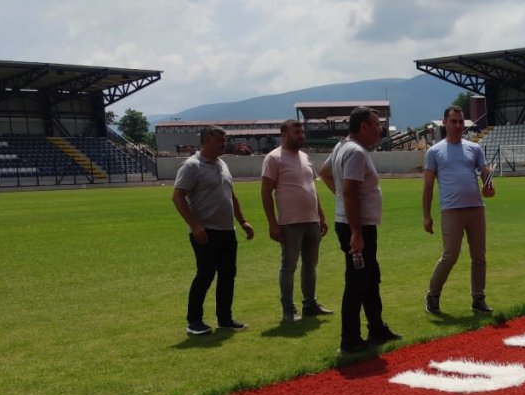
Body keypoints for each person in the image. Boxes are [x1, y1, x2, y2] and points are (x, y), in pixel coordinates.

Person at [319, 107, 401, 354]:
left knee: (370, 278)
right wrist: (356, 232)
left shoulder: (342, 147)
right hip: (358, 227)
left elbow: (324, 173)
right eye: (376, 124)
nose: (380, 130)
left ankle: (376, 327)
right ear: (363, 126)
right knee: (356, 282)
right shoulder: (355, 152)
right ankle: (350, 339)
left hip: (354, 224)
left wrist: (342, 201)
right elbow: (350, 191)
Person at [171, 126, 255, 335]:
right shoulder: (192, 166)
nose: (224, 144)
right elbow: (178, 197)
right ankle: (194, 321)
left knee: (228, 275)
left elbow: (230, 194)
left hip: (227, 230)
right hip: (205, 230)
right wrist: (194, 225)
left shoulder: (222, 164)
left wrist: (243, 221)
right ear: (207, 140)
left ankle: (224, 318)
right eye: (220, 140)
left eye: (224, 140)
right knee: (206, 274)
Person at [421, 106, 496, 315]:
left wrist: (489, 186)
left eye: (461, 121)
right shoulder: (434, 151)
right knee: (450, 256)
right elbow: (428, 186)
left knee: (479, 256)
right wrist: (426, 215)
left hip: (476, 208)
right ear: (444, 123)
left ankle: (478, 298)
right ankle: (433, 295)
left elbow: (486, 175)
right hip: (451, 210)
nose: (457, 125)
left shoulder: (474, 148)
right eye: (453, 121)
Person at [261, 119, 332, 323]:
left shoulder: (304, 157)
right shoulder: (274, 158)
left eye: (302, 132)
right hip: (290, 222)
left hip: (311, 220)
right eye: (297, 132)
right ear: (284, 135)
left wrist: (321, 216)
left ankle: (310, 304)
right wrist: (272, 223)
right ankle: (288, 310)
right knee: (289, 266)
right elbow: (265, 192)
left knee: (310, 265)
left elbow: (312, 189)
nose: (301, 136)